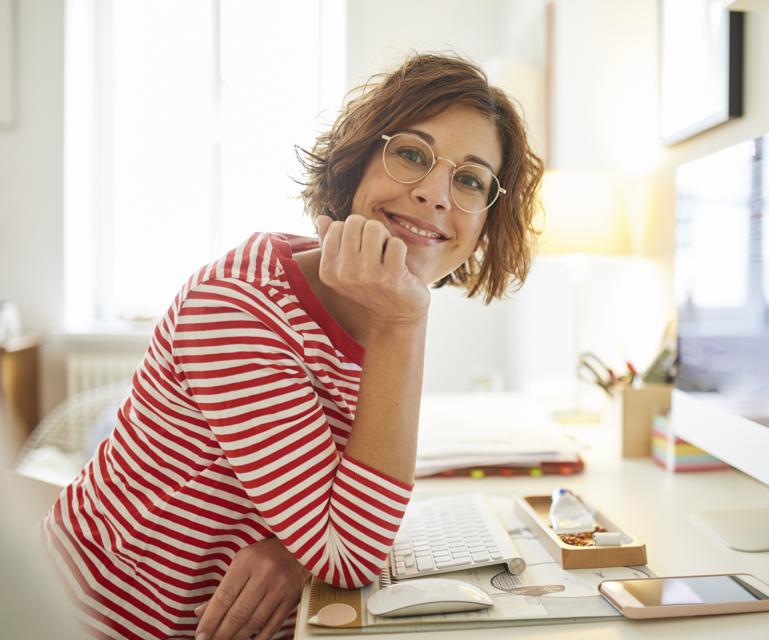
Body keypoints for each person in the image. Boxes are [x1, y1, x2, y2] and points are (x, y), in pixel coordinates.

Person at [43, 52, 543, 640]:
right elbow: (350, 553)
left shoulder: (374, 301)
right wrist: (404, 324)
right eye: (411, 153)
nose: (436, 193)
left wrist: (295, 549)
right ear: (358, 162)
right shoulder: (238, 308)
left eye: (469, 179)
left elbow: (348, 515)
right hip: (107, 621)